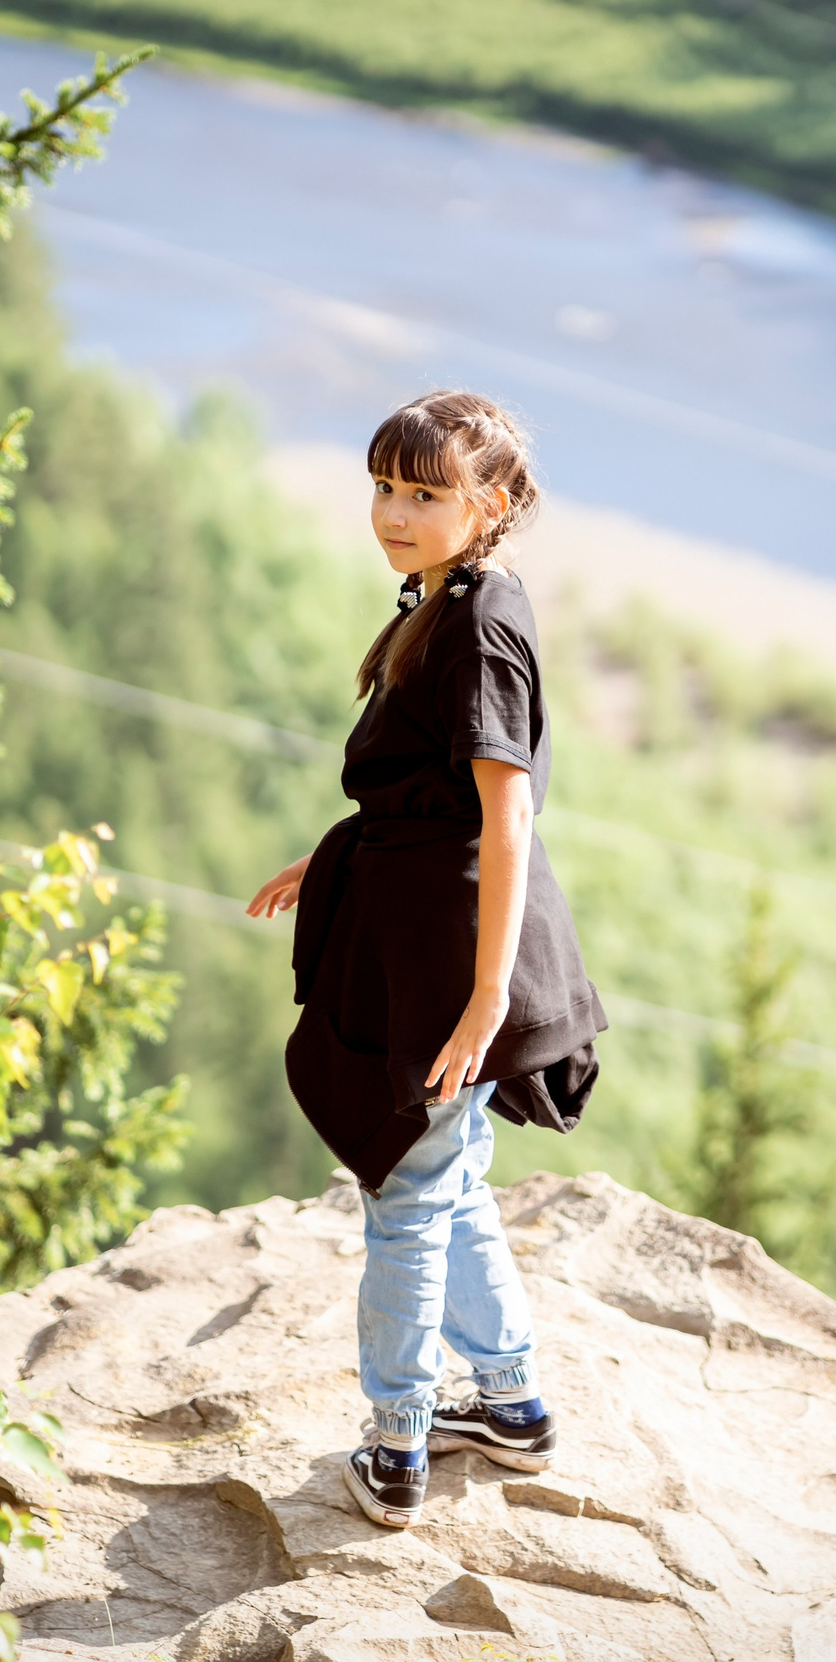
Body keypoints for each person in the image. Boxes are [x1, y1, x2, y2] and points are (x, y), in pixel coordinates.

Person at [248, 389, 606, 1530]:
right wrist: (334, 855)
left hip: (453, 958)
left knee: (407, 1190)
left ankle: (398, 1443)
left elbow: (507, 822)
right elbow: (435, 792)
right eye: (385, 486)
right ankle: (511, 1406)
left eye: (424, 493)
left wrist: (483, 1005)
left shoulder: (485, 621)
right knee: (444, 1176)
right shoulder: (443, 596)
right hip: (419, 928)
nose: (392, 512)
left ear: (489, 504)